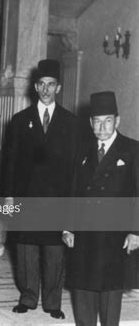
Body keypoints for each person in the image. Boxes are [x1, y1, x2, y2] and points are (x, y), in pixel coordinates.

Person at [4, 59, 81, 319]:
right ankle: (28, 297)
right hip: (27, 196)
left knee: (54, 253)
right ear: (35, 87)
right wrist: (9, 195)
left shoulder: (71, 123)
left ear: (58, 88)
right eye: (42, 84)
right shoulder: (19, 120)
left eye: (51, 84)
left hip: (57, 200)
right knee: (26, 249)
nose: (46, 89)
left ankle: (52, 302)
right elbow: (10, 162)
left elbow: (74, 168)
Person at [63, 91, 139, 326]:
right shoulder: (82, 150)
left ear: (117, 121)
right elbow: (72, 191)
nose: (102, 126)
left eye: (107, 120)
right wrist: (68, 227)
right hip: (85, 232)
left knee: (109, 290)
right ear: (90, 123)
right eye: (97, 121)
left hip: (114, 234)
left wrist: (135, 231)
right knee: (83, 288)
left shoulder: (132, 149)